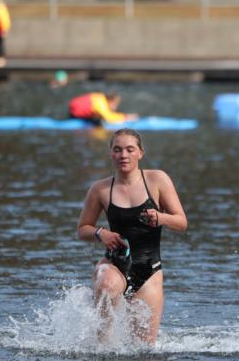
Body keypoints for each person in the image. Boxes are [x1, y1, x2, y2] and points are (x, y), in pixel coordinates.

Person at [76, 129, 187, 343]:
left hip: (149, 270)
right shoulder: (100, 189)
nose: (123, 155)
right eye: (117, 150)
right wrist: (101, 233)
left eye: (129, 149)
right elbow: (83, 229)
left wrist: (161, 218)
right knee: (106, 283)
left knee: (143, 351)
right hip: (114, 264)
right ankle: (102, 346)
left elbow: (182, 222)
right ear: (111, 154)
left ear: (140, 153)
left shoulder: (157, 180)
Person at [68, 91, 139, 125]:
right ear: (111, 101)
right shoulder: (100, 103)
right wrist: (126, 117)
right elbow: (109, 117)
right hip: (75, 115)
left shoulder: (100, 97)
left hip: (74, 110)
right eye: (115, 104)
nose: (116, 108)